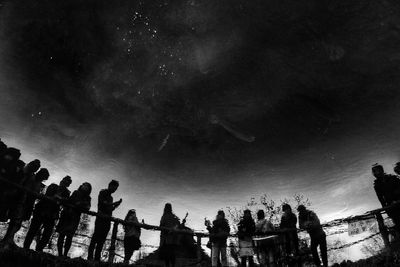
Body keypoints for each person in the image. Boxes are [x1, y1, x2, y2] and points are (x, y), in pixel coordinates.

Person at [2, 168, 49, 246]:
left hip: (28, 204)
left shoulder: (39, 183)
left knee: (18, 222)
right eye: (43, 177)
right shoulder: (32, 178)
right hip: (22, 201)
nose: (43, 180)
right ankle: (7, 239)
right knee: (15, 221)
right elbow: (26, 188)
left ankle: (9, 238)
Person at [24, 175, 72, 251]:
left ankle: (39, 249)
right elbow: (48, 194)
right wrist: (56, 198)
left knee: (47, 234)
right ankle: (26, 247)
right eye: (63, 180)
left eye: (67, 182)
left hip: (52, 214)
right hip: (41, 210)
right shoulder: (53, 186)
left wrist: (59, 198)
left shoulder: (67, 193)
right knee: (33, 229)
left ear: (68, 184)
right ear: (61, 181)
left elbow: (66, 201)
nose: (64, 182)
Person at [88, 180, 122, 261]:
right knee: (95, 238)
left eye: (116, 188)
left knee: (102, 240)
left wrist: (116, 205)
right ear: (110, 185)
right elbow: (103, 204)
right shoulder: (103, 192)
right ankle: (90, 257)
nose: (114, 189)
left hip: (107, 220)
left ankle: (97, 258)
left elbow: (110, 209)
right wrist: (113, 204)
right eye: (114, 187)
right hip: (100, 218)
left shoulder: (111, 197)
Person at [56, 182, 92, 257]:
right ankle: (60, 254)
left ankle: (65, 254)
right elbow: (71, 200)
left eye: (86, 186)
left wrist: (80, 204)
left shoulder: (88, 198)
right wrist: (78, 203)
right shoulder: (76, 192)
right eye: (83, 185)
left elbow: (87, 207)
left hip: (75, 217)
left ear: (89, 189)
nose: (84, 186)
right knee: (62, 234)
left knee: (69, 236)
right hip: (67, 214)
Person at [373, 164, 400, 231]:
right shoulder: (377, 185)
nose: (376, 173)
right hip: (390, 206)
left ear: (382, 171)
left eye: (377, 171)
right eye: (374, 172)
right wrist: (386, 208)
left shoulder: (393, 178)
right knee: (397, 222)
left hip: (398, 202)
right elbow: (381, 198)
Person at [159, 203, 180, 267]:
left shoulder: (164, 216)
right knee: (172, 254)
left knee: (167, 255)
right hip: (173, 239)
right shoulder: (174, 216)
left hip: (166, 239)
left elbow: (161, 225)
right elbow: (178, 224)